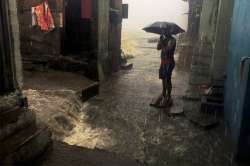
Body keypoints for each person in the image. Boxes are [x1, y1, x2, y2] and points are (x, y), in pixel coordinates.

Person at [153, 34, 176, 107]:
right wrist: (160, 41)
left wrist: (162, 43)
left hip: (169, 63)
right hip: (163, 62)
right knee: (163, 78)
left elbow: (167, 51)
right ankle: (164, 94)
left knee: (167, 79)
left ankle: (168, 96)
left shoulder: (172, 40)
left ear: (169, 31)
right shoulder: (164, 39)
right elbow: (158, 48)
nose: (164, 32)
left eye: (166, 31)